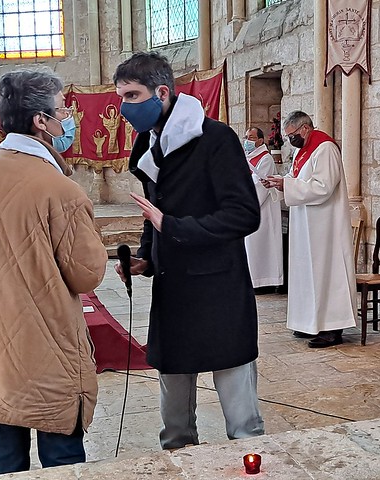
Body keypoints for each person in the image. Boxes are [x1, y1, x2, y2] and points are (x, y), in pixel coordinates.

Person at [0, 69, 107, 476]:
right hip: (45, 345)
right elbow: (86, 274)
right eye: (62, 110)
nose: (67, 118)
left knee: (4, 461)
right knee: (62, 462)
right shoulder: (60, 188)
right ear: (40, 121)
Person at [113, 52, 264, 450]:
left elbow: (244, 215)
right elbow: (154, 212)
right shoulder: (148, 141)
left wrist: (173, 226)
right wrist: (145, 257)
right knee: (175, 425)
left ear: (162, 92)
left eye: (132, 95)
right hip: (173, 294)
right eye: (121, 97)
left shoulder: (215, 138)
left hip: (218, 292)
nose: (124, 107)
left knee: (242, 423)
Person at [262, 111, 357, 348]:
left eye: (292, 135)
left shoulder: (325, 149)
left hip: (325, 226)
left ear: (305, 129)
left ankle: (332, 327)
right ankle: (310, 323)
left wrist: (289, 184)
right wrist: (279, 182)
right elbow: (297, 179)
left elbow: (323, 187)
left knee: (327, 274)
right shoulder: (301, 151)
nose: (289, 140)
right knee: (307, 274)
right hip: (306, 224)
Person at [243, 126, 283, 292]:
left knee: (262, 246)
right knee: (251, 247)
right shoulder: (248, 157)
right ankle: (253, 281)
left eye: (251, 138)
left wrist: (247, 204)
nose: (247, 141)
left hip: (262, 210)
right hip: (249, 207)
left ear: (260, 140)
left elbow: (261, 185)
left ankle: (264, 282)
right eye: (246, 137)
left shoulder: (265, 159)